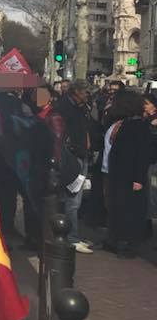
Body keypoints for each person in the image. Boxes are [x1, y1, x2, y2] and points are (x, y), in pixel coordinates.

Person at [45, 79, 97, 253]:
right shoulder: (64, 108)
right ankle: (71, 237)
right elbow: (60, 135)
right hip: (73, 157)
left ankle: (72, 234)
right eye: (85, 92)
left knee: (75, 198)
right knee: (72, 199)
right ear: (76, 92)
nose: (87, 96)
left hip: (81, 155)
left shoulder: (82, 108)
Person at [103, 89, 151, 257]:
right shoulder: (125, 123)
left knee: (128, 211)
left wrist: (138, 179)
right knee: (119, 208)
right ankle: (117, 240)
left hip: (130, 176)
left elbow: (142, 154)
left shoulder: (138, 125)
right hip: (119, 173)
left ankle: (126, 244)